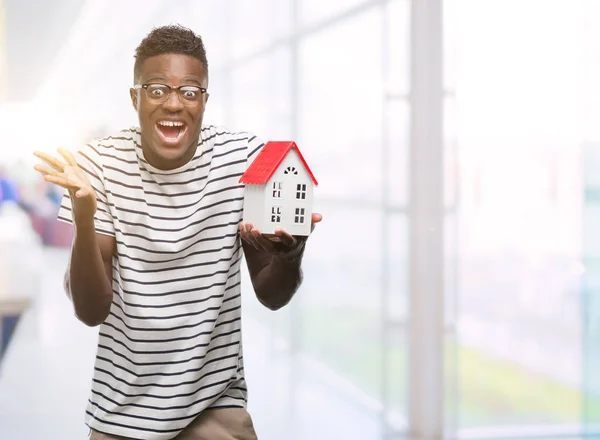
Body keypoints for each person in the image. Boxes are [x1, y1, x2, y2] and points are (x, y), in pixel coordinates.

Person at [33, 24, 322, 440]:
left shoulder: (242, 159)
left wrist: (291, 256)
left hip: (216, 407)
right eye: (156, 90)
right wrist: (84, 215)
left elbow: (272, 295)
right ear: (134, 97)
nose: (174, 104)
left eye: (189, 91)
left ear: (204, 100)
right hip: (121, 412)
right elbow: (90, 310)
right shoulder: (97, 164)